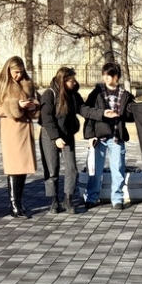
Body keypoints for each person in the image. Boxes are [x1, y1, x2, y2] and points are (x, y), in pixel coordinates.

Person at [38, 67, 105, 215]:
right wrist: (55, 138)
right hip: (50, 135)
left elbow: (84, 109)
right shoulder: (49, 94)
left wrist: (102, 114)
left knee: (72, 168)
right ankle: (54, 200)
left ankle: (68, 199)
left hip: (67, 135)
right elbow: (47, 118)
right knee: (52, 170)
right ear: (63, 80)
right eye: (71, 80)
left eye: (74, 79)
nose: (74, 82)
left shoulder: (73, 95)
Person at [83, 62, 135, 211]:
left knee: (118, 169)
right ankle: (91, 197)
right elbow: (89, 114)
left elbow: (131, 116)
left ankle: (117, 198)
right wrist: (90, 135)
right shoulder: (97, 93)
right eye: (104, 74)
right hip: (99, 137)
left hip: (117, 136)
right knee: (94, 170)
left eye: (109, 75)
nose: (106, 77)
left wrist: (128, 111)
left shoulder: (125, 95)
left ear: (116, 76)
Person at [0, 56, 39, 218]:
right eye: (15, 72)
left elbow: (36, 102)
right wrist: (15, 105)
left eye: (20, 72)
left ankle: (19, 201)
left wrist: (32, 106)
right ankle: (14, 205)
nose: (18, 75)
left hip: (25, 128)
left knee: (23, 166)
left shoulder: (27, 84)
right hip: (11, 129)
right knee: (14, 166)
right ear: (9, 70)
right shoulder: (1, 85)